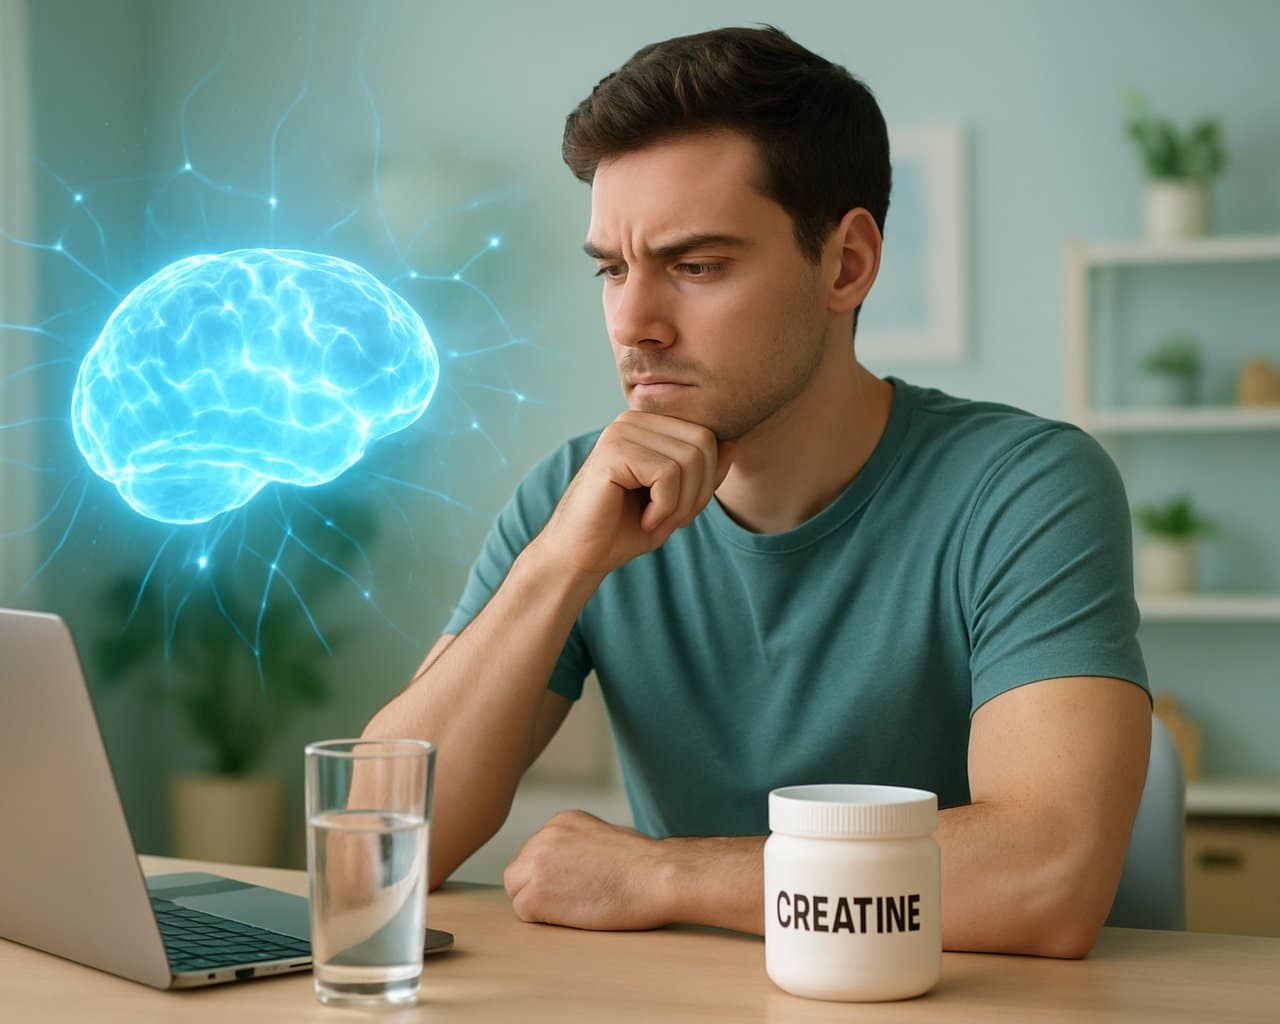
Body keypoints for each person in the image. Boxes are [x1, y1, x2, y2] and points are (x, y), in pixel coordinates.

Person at [362, 24, 1151, 959]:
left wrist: (661, 873)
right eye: (613, 269)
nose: (634, 323)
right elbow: (372, 851)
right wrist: (557, 569)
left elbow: (1047, 877)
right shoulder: (575, 501)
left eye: (696, 266)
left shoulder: (1024, 490)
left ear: (846, 264)